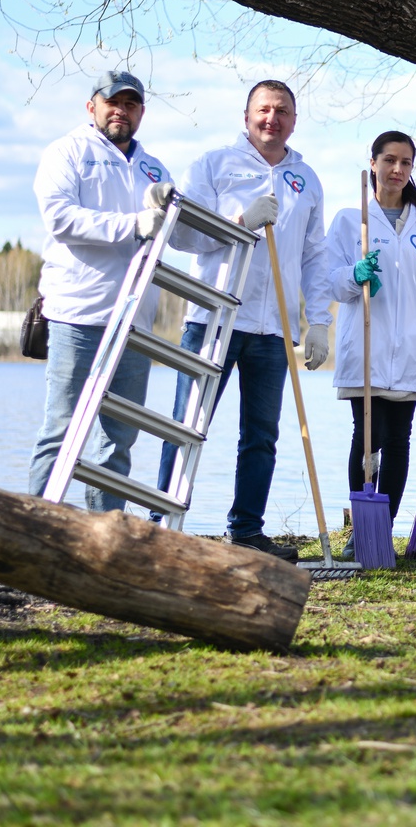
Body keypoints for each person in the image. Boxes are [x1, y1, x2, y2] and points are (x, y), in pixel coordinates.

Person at [157, 80, 332, 561]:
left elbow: (315, 257)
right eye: (263, 110)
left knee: (262, 435)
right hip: (214, 317)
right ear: (246, 115)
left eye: (282, 111)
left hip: (273, 328)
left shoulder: (307, 178)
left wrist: (318, 322)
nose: (272, 118)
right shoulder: (214, 165)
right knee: (188, 424)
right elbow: (182, 236)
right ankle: (164, 521)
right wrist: (240, 223)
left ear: (294, 120)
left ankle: (247, 531)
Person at [28, 70, 174, 512]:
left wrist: (240, 221)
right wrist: (130, 225)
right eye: (112, 102)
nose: (121, 111)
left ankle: (104, 543)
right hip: (78, 314)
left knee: (117, 440)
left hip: (134, 322)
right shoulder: (67, 151)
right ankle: (31, 532)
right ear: (91, 106)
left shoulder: (154, 168)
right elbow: (60, 217)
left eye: (130, 104)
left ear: (141, 113)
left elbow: (184, 235)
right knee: (61, 428)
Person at [323, 131, 416, 538]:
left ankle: (383, 528)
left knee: (399, 439)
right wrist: (354, 276)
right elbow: (330, 281)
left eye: (406, 163)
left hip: (413, 346)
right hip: (368, 346)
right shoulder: (351, 219)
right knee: (368, 437)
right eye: (390, 160)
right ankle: (361, 527)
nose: (397, 169)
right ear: (373, 163)